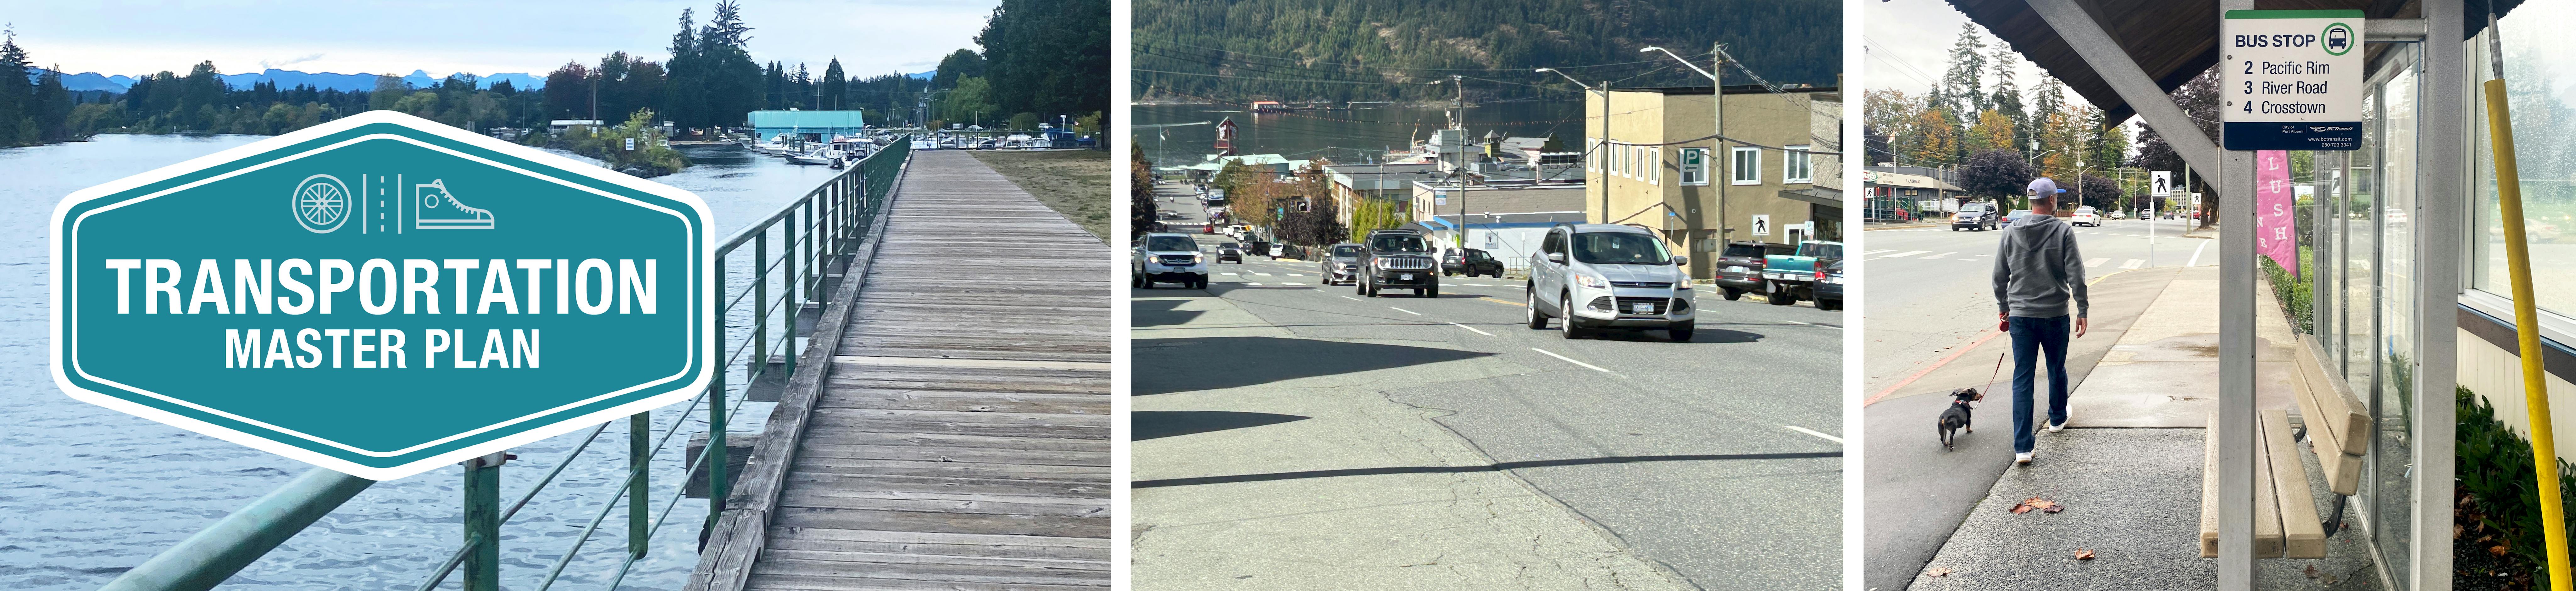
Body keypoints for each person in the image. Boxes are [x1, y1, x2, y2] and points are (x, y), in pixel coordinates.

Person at [1992, 177, 2090, 464]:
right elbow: (2077, 275)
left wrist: (2004, 307)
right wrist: (2082, 309)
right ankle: (2058, 418)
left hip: (2021, 317)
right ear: (2051, 201)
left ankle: (2023, 447)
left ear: (2030, 201)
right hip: (2054, 314)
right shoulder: (2063, 231)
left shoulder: (2010, 232)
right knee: (2055, 368)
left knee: (2022, 377)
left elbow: (2000, 277)